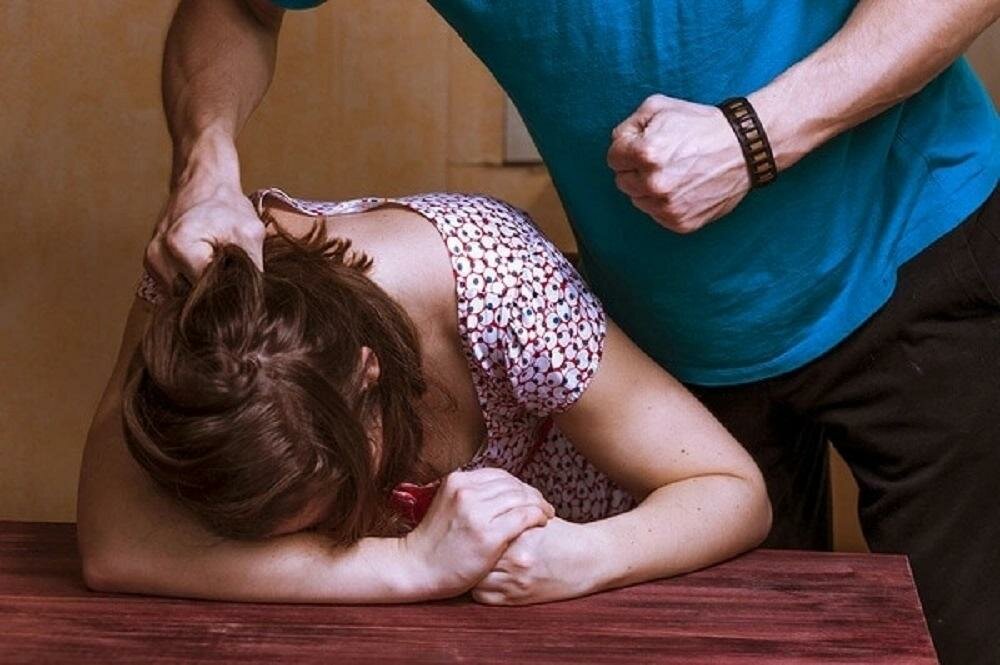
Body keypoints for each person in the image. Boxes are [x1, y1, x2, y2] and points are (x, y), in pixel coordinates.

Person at [142, 1, 1000, 661]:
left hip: (919, 242)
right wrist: (204, 166)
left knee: (965, 636)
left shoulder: (490, 273)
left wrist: (756, 134)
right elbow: (237, 6)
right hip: (676, 325)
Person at [77, 189, 771, 605]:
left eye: (327, 493)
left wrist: (586, 557)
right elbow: (116, 546)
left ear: (368, 374)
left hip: (571, 608)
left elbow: (731, 489)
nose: (284, 546)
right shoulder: (194, 288)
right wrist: (411, 567)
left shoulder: (505, 284)